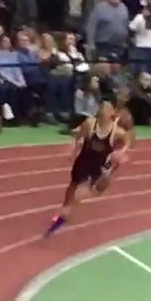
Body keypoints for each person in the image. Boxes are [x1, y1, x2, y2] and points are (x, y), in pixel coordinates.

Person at [44, 100, 130, 236]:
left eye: (105, 112)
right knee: (72, 186)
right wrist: (74, 149)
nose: (102, 114)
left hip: (97, 166)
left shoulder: (116, 131)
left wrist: (122, 151)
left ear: (111, 114)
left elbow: (127, 139)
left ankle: (61, 219)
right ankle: (65, 206)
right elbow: (79, 135)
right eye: (101, 111)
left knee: (79, 193)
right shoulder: (90, 124)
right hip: (83, 160)